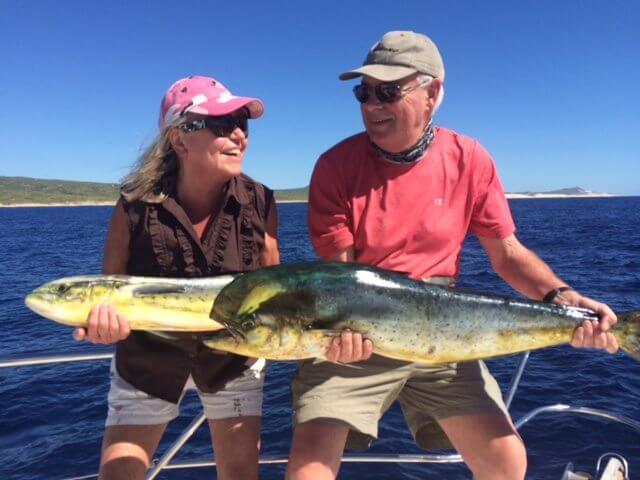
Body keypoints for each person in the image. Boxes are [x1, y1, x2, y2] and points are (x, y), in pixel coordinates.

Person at [286, 31, 619, 480]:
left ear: (433, 94)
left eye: (388, 91)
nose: (372, 104)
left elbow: (506, 254)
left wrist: (561, 296)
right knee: (309, 467)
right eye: (363, 92)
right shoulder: (334, 166)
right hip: (357, 337)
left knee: (506, 462)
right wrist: (337, 337)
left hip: (442, 334)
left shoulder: (471, 159)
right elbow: (341, 280)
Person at [72, 75, 280, 480]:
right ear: (179, 139)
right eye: (222, 124)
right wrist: (102, 325)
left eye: (243, 123)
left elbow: (275, 291)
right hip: (148, 359)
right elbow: (110, 292)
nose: (239, 135)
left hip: (232, 361)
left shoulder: (261, 202)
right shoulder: (134, 206)